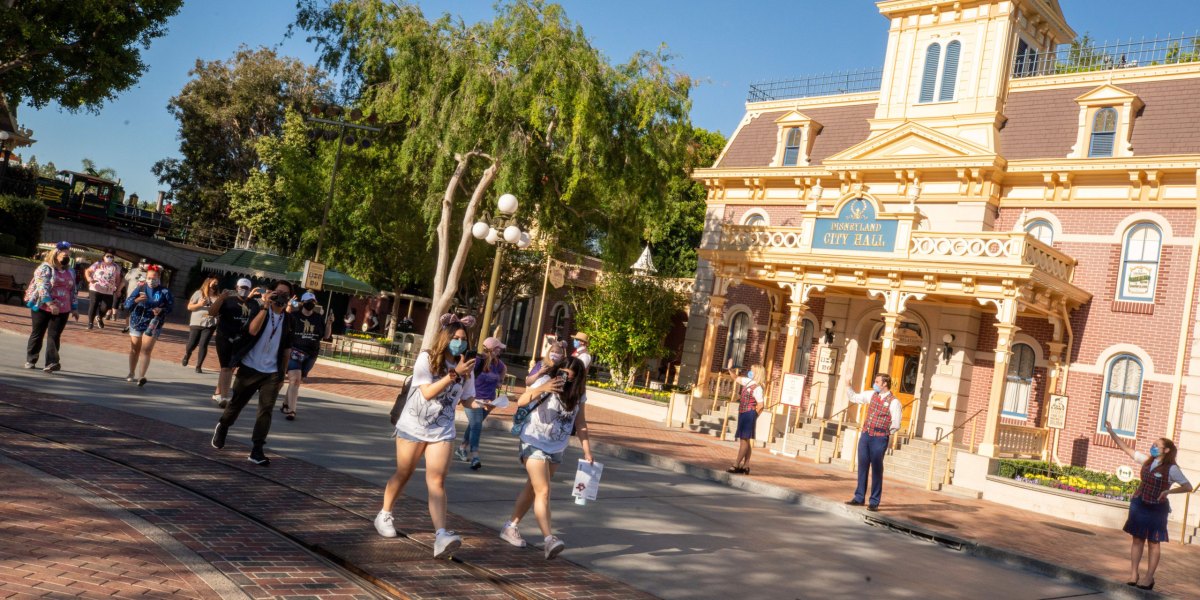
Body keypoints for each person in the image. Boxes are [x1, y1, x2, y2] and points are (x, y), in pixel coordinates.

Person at [373, 315, 480, 559]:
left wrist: (484, 404)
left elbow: (466, 399)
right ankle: (384, 514)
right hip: (413, 425)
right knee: (405, 472)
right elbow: (428, 392)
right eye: (455, 338)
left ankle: (441, 535)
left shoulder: (467, 366)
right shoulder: (428, 358)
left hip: (442, 430)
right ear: (446, 338)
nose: (459, 343)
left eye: (463, 339)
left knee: (437, 480)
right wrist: (454, 374)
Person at [500, 356, 593, 560]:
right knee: (543, 490)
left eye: (570, 375)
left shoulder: (578, 393)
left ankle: (511, 526)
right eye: (562, 372)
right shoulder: (545, 382)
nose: (564, 378)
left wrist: (587, 450)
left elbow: (581, 423)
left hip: (557, 447)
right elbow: (522, 401)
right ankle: (549, 539)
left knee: (533, 489)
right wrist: (544, 388)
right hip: (533, 441)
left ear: (577, 378)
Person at [210, 279, 295, 466]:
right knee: (236, 404)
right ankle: (223, 426)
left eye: (285, 294)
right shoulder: (259, 309)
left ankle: (257, 449)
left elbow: (287, 349)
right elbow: (252, 330)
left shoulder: (289, 319)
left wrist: (282, 374)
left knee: (265, 411)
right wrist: (265, 305)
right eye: (277, 293)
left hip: (271, 372)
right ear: (271, 293)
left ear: (290, 298)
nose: (281, 297)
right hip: (249, 367)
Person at [1105, 421, 1193, 590]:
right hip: (1139, 504)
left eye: (1156, 445)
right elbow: (1126, 449)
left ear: (1166, 450)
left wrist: (1169, 492)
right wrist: (1111, 432)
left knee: (1154, 542)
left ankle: (1148, 578)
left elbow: (1188, 486)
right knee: (1137, 539)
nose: (1152, 447)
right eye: (1153, 444)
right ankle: (1133, 574)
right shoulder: (1147, 460)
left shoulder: (1172, 469)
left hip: (1157, 508)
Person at [844, 374, 901, 512]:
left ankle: (874, 501)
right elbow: (854, 397)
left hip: (879, 438)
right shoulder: (871, 394)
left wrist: (885, 433)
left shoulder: (894, 402)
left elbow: (896, 423)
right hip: (866, 435)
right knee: (862, 466)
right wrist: (847, 384)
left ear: (884, 384)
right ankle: (859, 497)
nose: (874, 384)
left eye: (877, 382)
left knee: (876, 469)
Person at [23, 242, 79, 372]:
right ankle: (31, 359)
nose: (66, 256)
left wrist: (74, 307)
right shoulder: (45, 268)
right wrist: (50, 303)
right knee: (38, 333)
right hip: (43, 306)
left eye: (68, 254)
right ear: (56, 254)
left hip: (63, 308)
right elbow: (42, 286)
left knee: (54, 335)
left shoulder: (70, 271)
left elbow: (73, 290)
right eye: (64, 254)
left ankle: (52, 362)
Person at [456, 336, 508, 470]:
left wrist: (499, 382)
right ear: (493, 349)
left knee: (473, 426)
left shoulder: (498, 363)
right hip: (473, 399)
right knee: (477, 426)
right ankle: (475, 456)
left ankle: (461, 448)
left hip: (490, 401)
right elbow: (467, 375)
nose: (500, 351)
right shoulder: (478, 360)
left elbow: (504, 370)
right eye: (498, 349)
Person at [208, 278, 258, 407]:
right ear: (236, 287)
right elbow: (211, 313)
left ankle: (218, 392)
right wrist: (220, 299)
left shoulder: (254, 304)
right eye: (242, 287)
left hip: (242, 339)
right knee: (226, 367)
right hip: (225, 337)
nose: (244, 290)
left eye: (246, 288)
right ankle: (224, 397)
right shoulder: (228, 301)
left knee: (231, 368)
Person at [123, 265, 173, 387]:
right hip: (137, 320)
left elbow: (170, 308)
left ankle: (141, 376)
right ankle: (131, 372)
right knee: (135, 349)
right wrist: (137, 300)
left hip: (154, 322)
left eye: (154, 278)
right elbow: (127, 304)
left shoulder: (164, 291)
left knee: (146, 349)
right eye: (149, 277)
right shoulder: (140, 287)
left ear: (159, 278)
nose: (151, 280)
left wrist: (161, 310)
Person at [280, 291, 325, 421]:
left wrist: (330, 323)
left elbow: (325, 335)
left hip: (311, 353)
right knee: (295, 379)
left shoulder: (318, 318)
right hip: (295, 350)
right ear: (303, 303)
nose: (310, 304)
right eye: (308, 302)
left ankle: (286, 404)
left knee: (297, 381)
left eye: (313, 302)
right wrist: (288, 306)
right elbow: (284, 321)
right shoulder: (294, 315)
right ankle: (291, 410)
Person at [725, 363, 765, 475]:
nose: (750, 371)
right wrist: (729, 369)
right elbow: (735, 378)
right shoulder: (747, 381)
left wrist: (753, 415)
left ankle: (736, 464)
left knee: (743, 440)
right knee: (746, 440)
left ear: (757, 372)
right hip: (743, 413)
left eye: (752, 369)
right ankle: (746, 465)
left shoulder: (758, 387)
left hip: (749, 413)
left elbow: (761, 405)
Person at [182, 276, 220, 373]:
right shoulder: (199, 293)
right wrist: (199, 305)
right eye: (214, 283)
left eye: (217, 283)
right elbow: (189, 307)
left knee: (203, 344)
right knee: (192, 343)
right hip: (197, 322)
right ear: (208, 283)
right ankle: (188, 353)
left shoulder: (218, 297)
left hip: (210, 324)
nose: (216, 285)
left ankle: (199, 365)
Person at [84, 249, 121, 330]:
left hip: (109, 290)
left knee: (106, 306)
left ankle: (100, 317)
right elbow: (88, 271)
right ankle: (90, 322)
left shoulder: (116, 267)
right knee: (94, 305)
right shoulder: (98, 264)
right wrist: (89, 278)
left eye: (111, 257)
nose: (109, 258)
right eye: (107, 256)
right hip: (95, 288)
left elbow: (118, 279)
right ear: (103, 257)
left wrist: (117, 289)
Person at [119, 258, 149, 333]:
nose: (143, 265)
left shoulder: (149, 273)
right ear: (139, 264)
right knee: (128, 310)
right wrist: (119, 290)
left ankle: (136, 326)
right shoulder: (132, 271)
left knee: (138, 311)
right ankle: (127, 326)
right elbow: (124, 281)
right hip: (131, 295)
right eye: (142, 263)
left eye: (145, 264)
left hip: (142, 296)